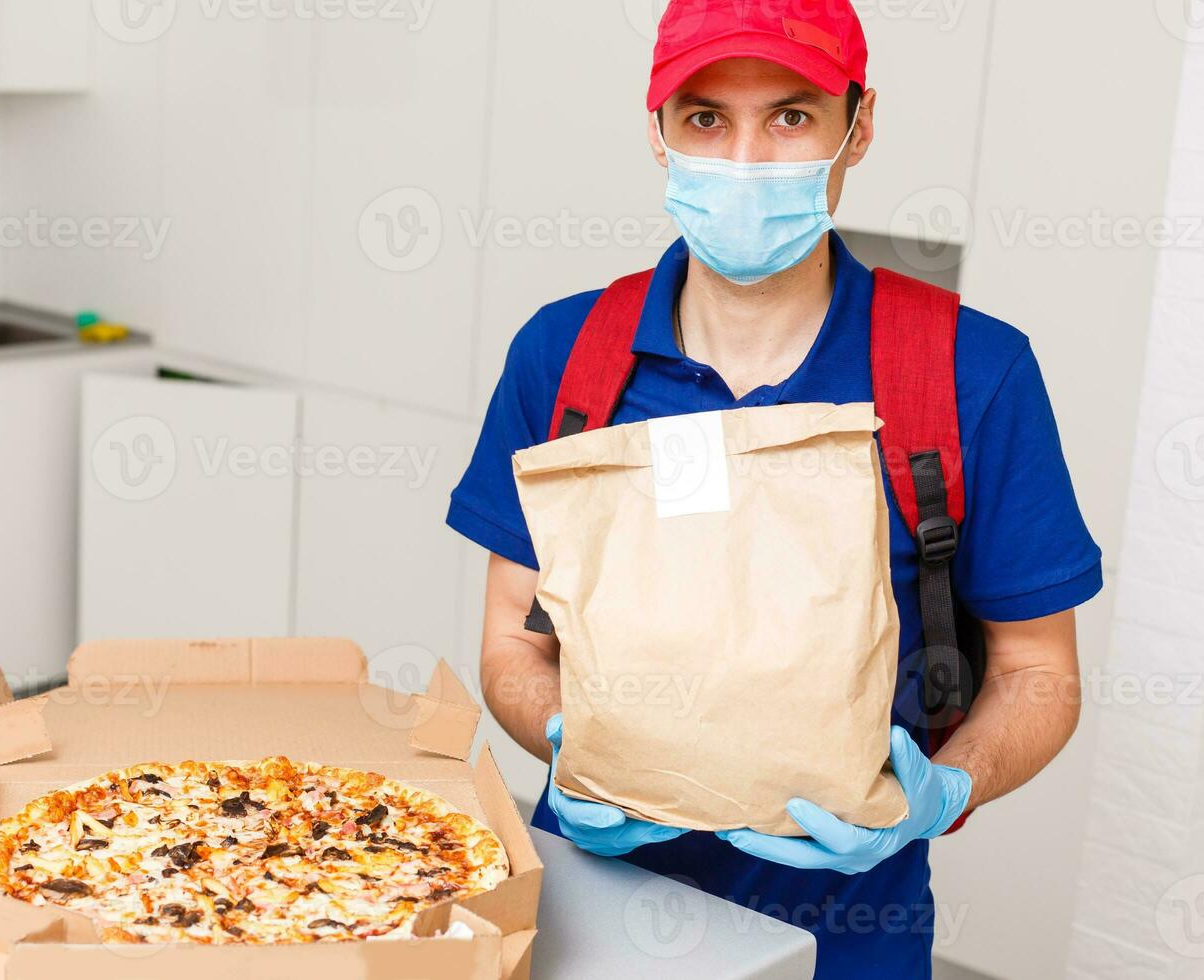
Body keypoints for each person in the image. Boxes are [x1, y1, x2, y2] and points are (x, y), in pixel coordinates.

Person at [446, 0, 1102, 975]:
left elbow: (1039, 671)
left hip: (845, 935)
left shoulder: (967, 372)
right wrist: (559, 738)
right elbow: (510, 638)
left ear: (859, 124)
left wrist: (945, 788)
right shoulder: (566, 355)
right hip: (588, 914)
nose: (746, 160)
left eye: (790, 115)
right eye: (707, 117)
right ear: (658, 131)